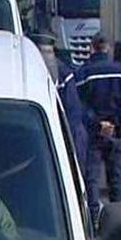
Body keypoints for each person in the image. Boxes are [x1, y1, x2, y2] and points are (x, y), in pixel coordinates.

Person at [75, 33, 121, 223]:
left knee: (92, 178)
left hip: (93, 133)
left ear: (91, 48)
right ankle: (119, 220)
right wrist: (117, 122)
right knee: (116, 178)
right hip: (115, 133)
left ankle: (93, 218)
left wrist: (98, 123)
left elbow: (79, 105)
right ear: (107, 48)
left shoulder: (84, 73)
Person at [32, 33, 88, 173]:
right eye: (42, 51)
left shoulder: (64, 75)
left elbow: (72, 113)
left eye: (49, 52)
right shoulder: (26, 72)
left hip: (66, 133)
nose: (47, 57)